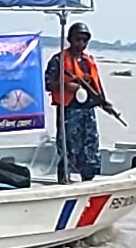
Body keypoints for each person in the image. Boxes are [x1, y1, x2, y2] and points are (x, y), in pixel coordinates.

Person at [44, 21, 117, 181]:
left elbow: (96, 85)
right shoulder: (58, 60)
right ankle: (65, 180)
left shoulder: (87, 61)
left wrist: (104, 102)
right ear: (70, 39)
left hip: (87, 111)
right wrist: (65, 85)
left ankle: (88, 179)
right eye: (77, 40)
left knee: (90, 147)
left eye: (84, 41)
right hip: (69, 110)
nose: (81, 44)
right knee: (68, 146)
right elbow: (48, 84)